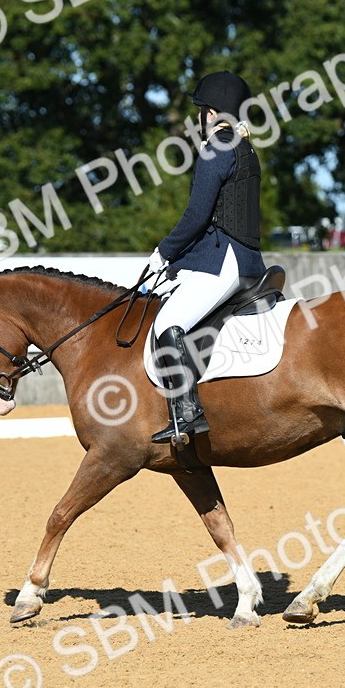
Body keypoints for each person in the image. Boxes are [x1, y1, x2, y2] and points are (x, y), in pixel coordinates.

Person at [146, 71, 266, 444]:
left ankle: (187, 413)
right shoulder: (243, 147)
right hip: (244, 258)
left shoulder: (217, 147)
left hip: (225, 257)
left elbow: (197, 217)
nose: (198, 119)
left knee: (168, 322)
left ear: (211, 114)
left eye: (200, 111)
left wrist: (163, 253)